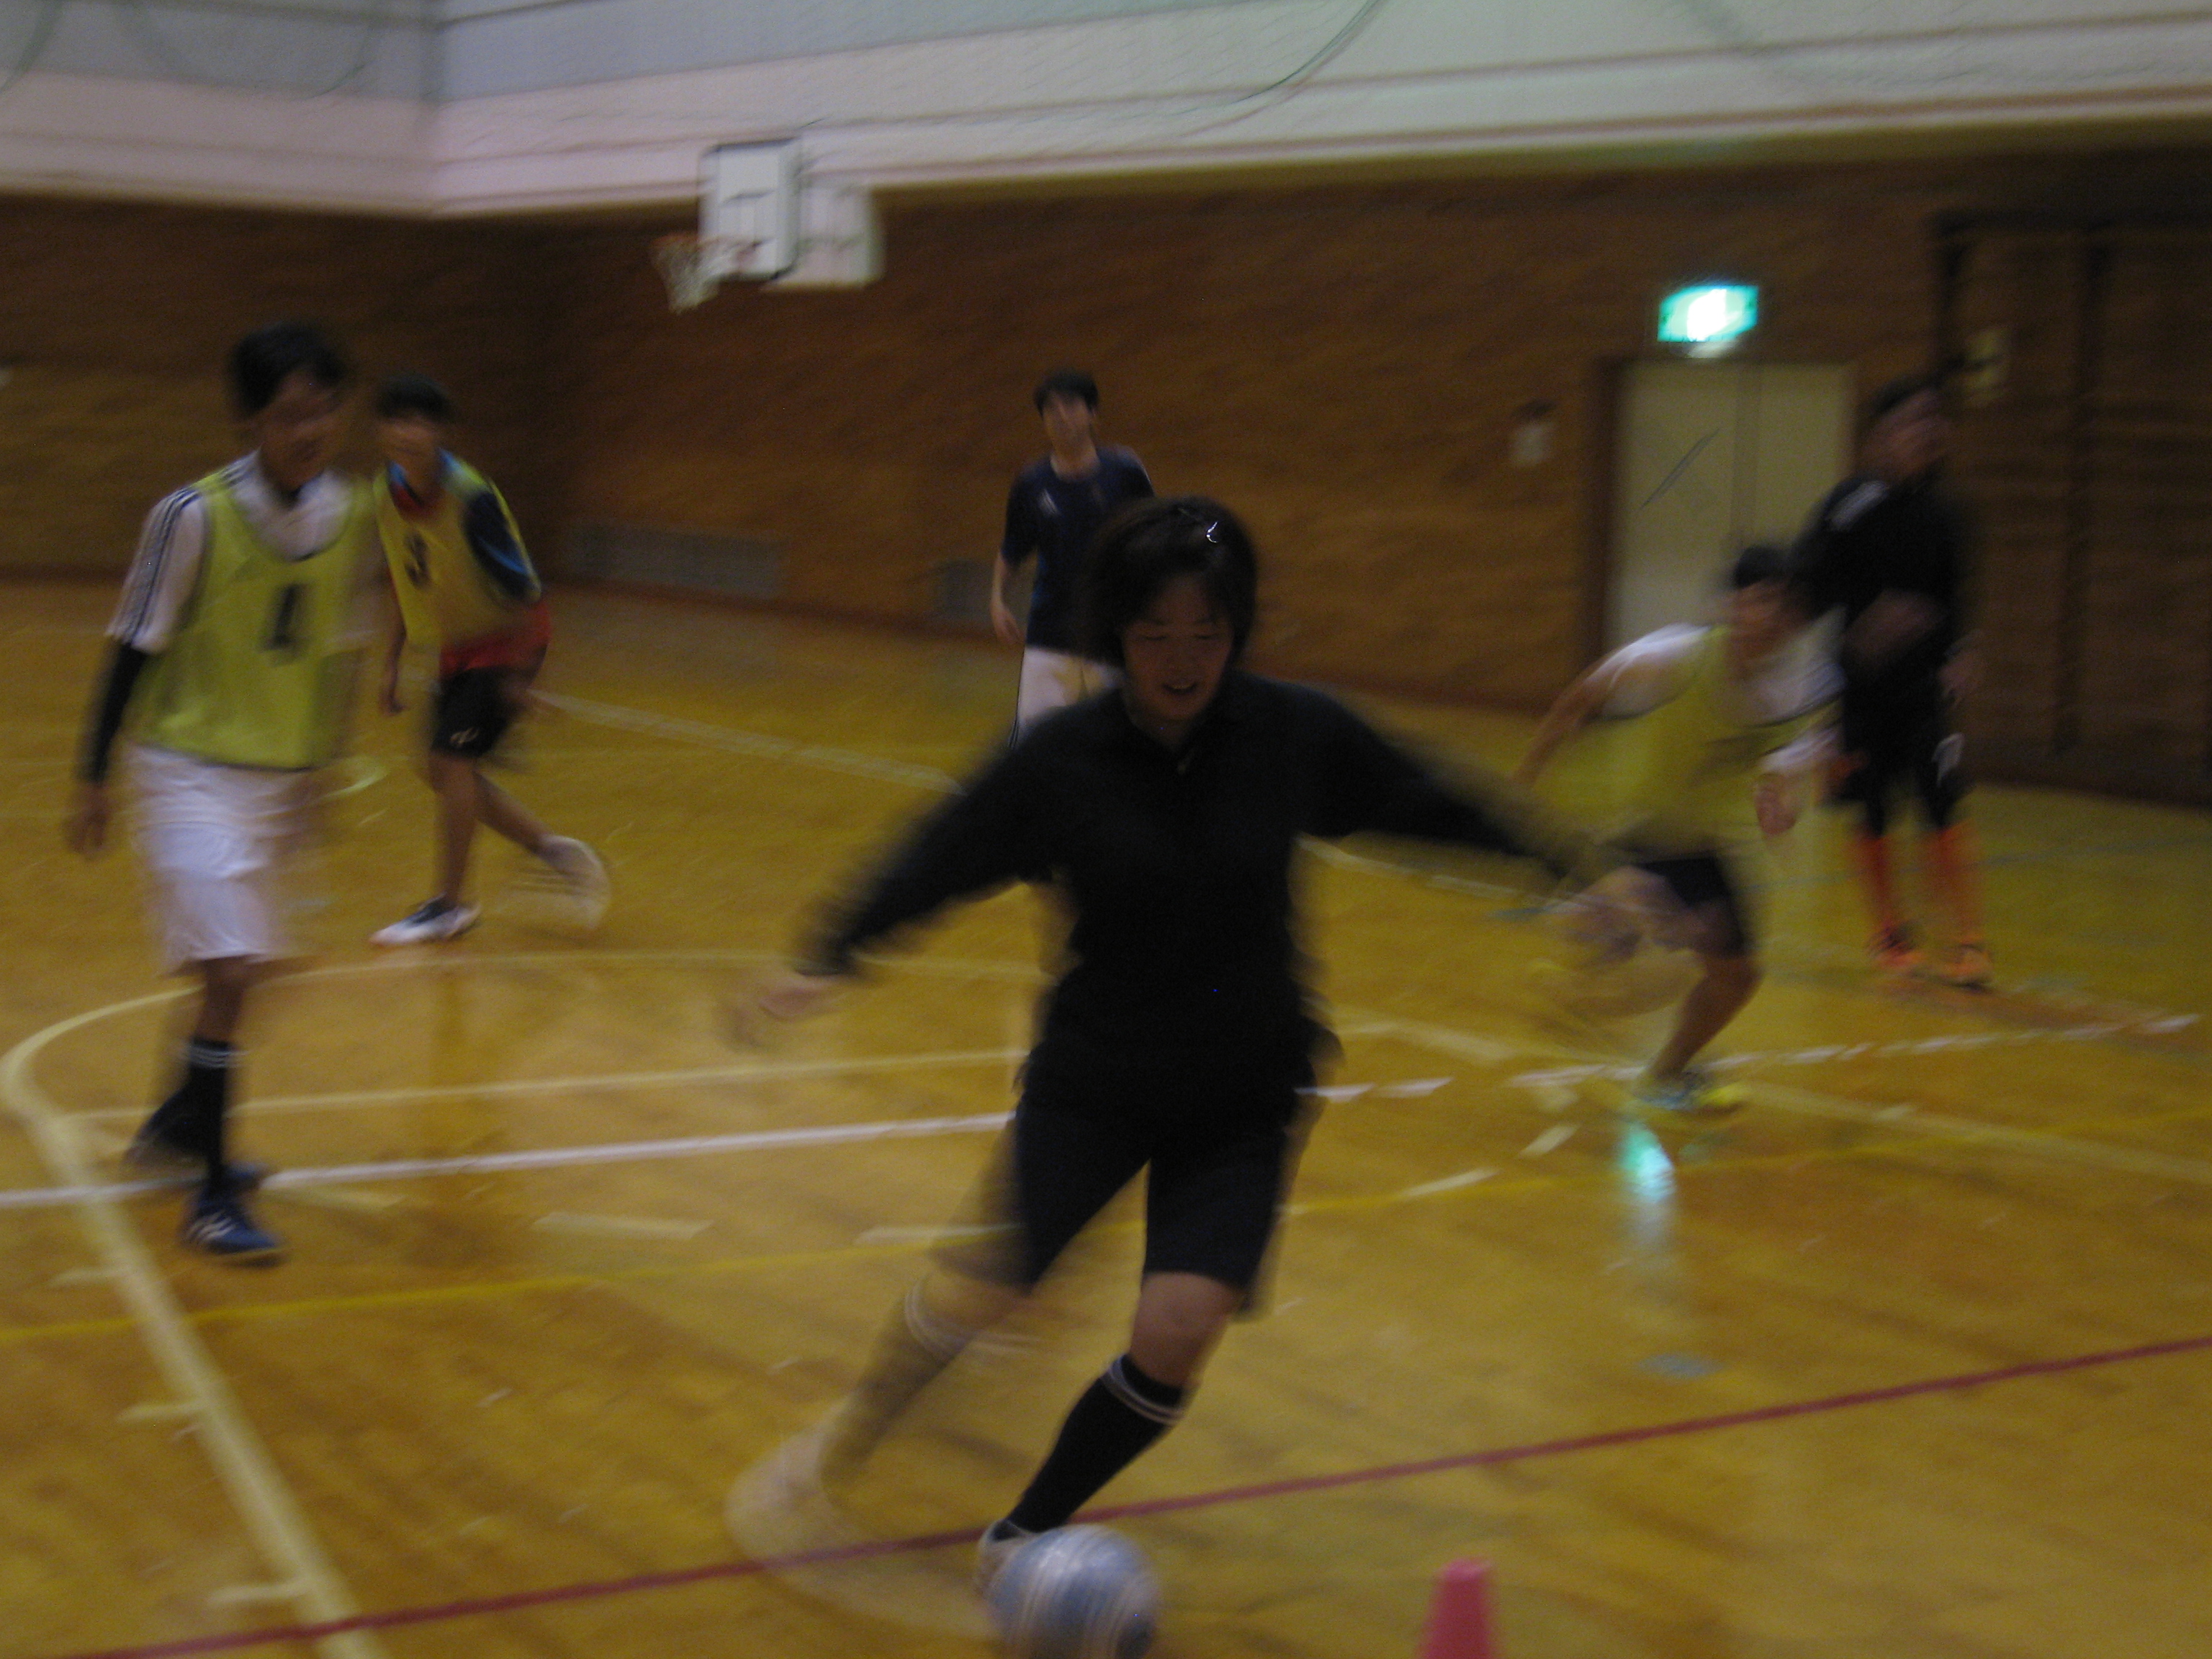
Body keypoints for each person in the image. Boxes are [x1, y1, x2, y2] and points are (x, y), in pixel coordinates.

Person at [739, 495, 1619, 1583]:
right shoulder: (1062, 760)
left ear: (1238, 632)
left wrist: (1572, 865)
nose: (1183, 657)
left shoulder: (1294, 734)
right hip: (1096, 1077)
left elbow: (1431, 796)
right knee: (987, 1290)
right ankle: (850, 1433)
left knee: (1180, 1325)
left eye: (1208, 633)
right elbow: (942, 851)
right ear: (1118, 637)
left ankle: (1026, 1532)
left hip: (1245, 1088)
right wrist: (828, 956)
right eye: (1157, 634)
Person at [65, 321, 376, 1260]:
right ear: (248, 421)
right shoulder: (193, 516)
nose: (312, 429)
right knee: (233, 970)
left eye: (325, 408)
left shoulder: (354, 512)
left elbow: (341, 648)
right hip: (187, 770)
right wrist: (93, 776)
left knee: (255, 973)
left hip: (282, 777)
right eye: (291, 414)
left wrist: (324, 763)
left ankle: (175, 1124)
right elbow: (131, 646)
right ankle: (212, 1196)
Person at [1514, 545, 1838, 1114]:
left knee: (1736, 978)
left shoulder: (1794, 687)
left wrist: (1780, 799)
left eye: (1788, 609)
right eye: (1761, 599)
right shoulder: (1673, 657)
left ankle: (1660, 1070)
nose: (1772, 618)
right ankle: (1595, 943)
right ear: (1732, 603)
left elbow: (1782, 761)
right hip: (1636, 834)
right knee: (1663, 955)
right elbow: (1578, 700)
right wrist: (1523, 785)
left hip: (1699, 845)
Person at [367, 374, 606, 945]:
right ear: (380, 431)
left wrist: (522, 678)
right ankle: (555, 852)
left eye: (421, 421)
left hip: (507, 639)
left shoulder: (471, 498)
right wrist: (392, 661)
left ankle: (449, 906)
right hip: (458, 645)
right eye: (396, 420)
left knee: (450, 764)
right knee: (441, 769)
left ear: (441, 432)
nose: (408, 433)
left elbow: (528, 597)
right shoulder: (386, 494)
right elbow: (408, 579)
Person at [1794, 374, 1989, 986]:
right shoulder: (1847, 508)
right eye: (1914, 421)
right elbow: (1810, 589)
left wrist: (1961, 650)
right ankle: (1890, 934)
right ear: (1882, 436)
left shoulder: (1948, 515)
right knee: (1873, 808)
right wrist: (1862, 632)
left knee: (1941, 801)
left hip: (1923, 688)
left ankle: (1970, 941)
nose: (1928, 433)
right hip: (1861, 690)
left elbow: (1956, 599)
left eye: (1936, 422)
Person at [989, 369, 1155, 731]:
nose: (1061, 415)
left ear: (1092, 413)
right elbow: (1013, 548)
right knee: (1034, 743)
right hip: (1049, 632)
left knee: (1116, 741)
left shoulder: (1125, 472)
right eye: (1050, 408)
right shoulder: (1031, 483)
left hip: (1110, 633)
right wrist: (998, 600)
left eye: (1071, 405)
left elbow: (1152, 538)